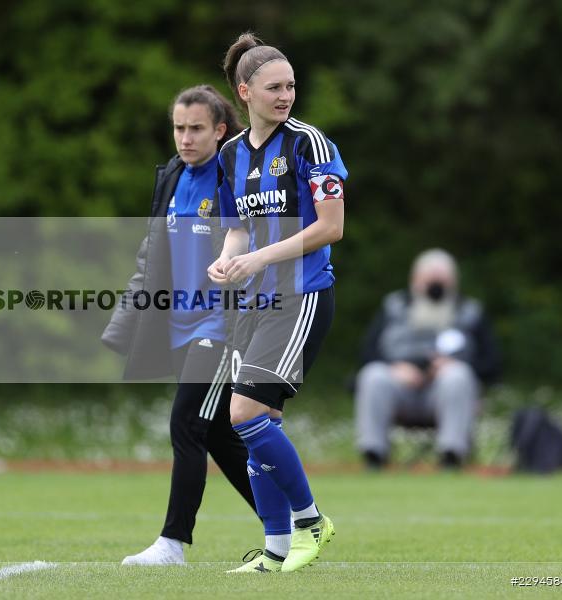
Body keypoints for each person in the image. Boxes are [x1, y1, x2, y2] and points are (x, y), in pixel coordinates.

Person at [208, 32, 347, 573]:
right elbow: (238, 229)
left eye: (291, 86)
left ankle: (311, 522)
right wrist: (227, 260)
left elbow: (331, 227)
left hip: (302, 296)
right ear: (245, 92)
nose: (286, 95)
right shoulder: (229, 155)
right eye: (274, 87)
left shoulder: (310, 144)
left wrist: (259, 259)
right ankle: (274, 550)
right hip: (256, 302)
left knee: (243, 413)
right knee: (259, 421)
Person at [102, 85, 258, 565]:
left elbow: (259, 247)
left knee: (186, 424)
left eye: (196, 129)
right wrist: (124, 320)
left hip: (220, 326)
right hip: (177, 327)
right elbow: (151, 257)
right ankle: (295, 521)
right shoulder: (171, 175)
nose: (185, 138)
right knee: (219, 437)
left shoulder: (237, 177)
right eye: (178, 128)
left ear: (220, 130)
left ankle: (173, 543)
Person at [354, 248, 501, 469]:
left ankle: (451, 456)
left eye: (442, 281)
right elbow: (366, 353)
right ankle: (374, 455)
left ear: (454, 282)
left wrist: (453, 366)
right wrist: (394, 367)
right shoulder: (393, 306)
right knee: (373, 375)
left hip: (445, 393)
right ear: (414, 280)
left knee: (457, 376)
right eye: (430, 280)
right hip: (400, 390)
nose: (435, 287)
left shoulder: (471, 312)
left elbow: (493, 364)